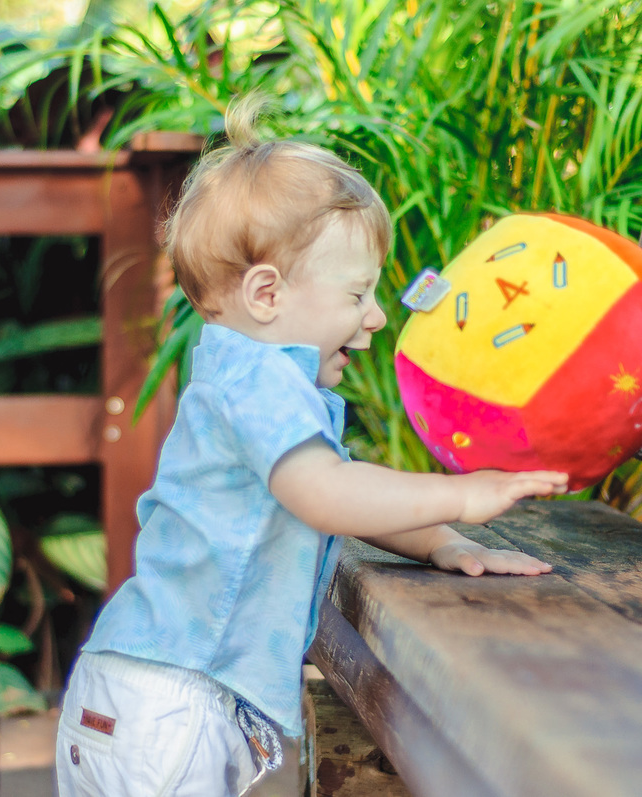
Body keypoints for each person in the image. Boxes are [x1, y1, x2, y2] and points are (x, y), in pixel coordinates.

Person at [55, 98, 568, 797]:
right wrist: (466, 492)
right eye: (357, 294)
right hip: (172, 708)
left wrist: (445, 542)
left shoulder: (248, 377)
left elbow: (342, 486)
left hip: (146, 697)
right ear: (266, 293)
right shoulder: (261, 378)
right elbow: (326, 494)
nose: (377, 316)